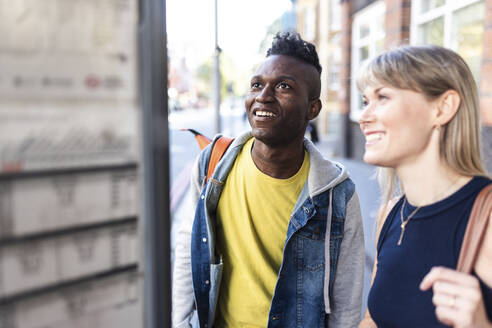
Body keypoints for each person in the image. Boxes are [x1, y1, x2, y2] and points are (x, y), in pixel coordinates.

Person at [172, 32, 364, 328]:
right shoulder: (213, 163)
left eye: (284, 86)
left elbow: (346, 300)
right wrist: (180, 321)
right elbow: (189, 246)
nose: (263, 96)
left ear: (312, 108)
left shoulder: (337, 194)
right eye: (257, 85)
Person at [356, 45, 492, 328]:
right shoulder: (390, 213)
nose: (363, 117)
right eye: (365, 100)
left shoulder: (487, 218)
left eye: (382, 97)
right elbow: (374, 319)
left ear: (442, 108)